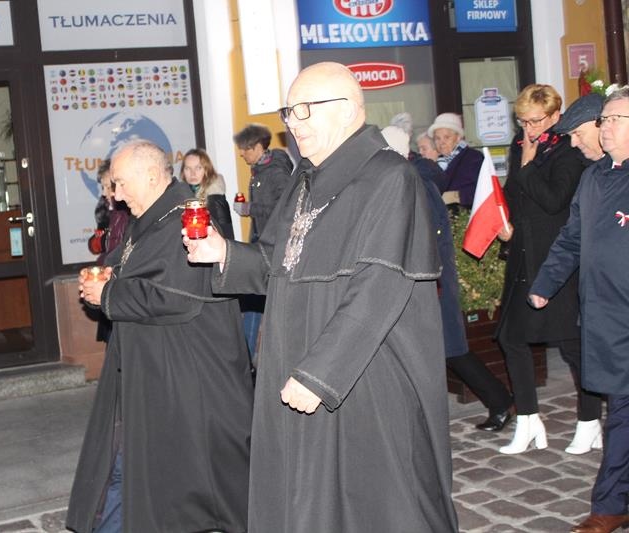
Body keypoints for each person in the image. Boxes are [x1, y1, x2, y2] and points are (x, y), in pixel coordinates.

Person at [185, 62, 458, 532]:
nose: (293, 123)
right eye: (290, 112)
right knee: (306, 496)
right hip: (296, 362)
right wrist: (223, 252)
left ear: (349, 110)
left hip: (360, 376)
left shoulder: (391, 178)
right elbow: (275, 260)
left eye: (306, 109)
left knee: (368, 502)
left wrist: (320, 375)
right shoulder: (305, 179)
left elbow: (379, 285)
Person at [66, 140, 253, 533]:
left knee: (190, 485)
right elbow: (135, 264)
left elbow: (177, 294)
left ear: (151, 176)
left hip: (190, 382)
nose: (116, 195)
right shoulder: (152, 218)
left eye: (120, 183)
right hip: (153, 377)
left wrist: (109, 293)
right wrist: (106, 274)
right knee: (130, 472)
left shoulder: (189, 218)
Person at [529, 87, 629, 533]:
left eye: (615, 119)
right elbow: (572, 238)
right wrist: (545, 284)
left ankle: (609, 505)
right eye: (604, 120)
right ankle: (613, 504)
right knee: (621, 410)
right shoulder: (594, 178)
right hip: (607, 318)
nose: (606, 127)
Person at [383, 126, 514, 432]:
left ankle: (499, 402)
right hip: (428, 279)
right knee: (444, 350)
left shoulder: (417, 180)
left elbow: (426, 234)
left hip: (432, 281)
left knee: (450, 349)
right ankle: (499, 401)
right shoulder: (413, 176)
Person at [494, 84, 601, 455]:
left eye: (536, 121)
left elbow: (555, 200)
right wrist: (506, 224)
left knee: (572, 344)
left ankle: (590, 421)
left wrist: (527, 167)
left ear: (556, 116)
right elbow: (514, 193)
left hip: (557, 258)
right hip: (523, 252)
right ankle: (528, 420)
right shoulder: (520, 144)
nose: (529, 129)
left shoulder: (569, 150)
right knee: (511, 338)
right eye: (523, 121)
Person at [232, 123, 294, 362]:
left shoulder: (276, 172)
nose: (241, 153)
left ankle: (250, 358)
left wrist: (251, 208)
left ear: (258, 147)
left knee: (255, 298)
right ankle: (250, 356)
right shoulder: (259, 169)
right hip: (262, 241)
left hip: (273, 244)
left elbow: (284, 208)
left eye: (245, 148)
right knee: (255, 298)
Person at [91, 159, 129, 343]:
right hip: (110, 278)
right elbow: (99, 244)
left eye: (108, 187)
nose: (104, 193)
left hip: (118, 282)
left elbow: (117, 250)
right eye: (103, 187)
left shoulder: (125, 214)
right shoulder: (109, 213)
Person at [429, 112, 483, 208]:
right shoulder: (435, 162)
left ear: (458, 138)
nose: (442, 142)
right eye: (437, 138)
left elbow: (484, 191)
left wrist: (456, 196)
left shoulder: (473, 158)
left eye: (446, 137)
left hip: (466, 215)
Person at [181, 148, 234, 238]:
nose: (193, 173)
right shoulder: (183, 196)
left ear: (207, 170)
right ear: (183, 172)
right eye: (188, 168)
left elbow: (226, 236)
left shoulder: (215, 199)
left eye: (198, 168)